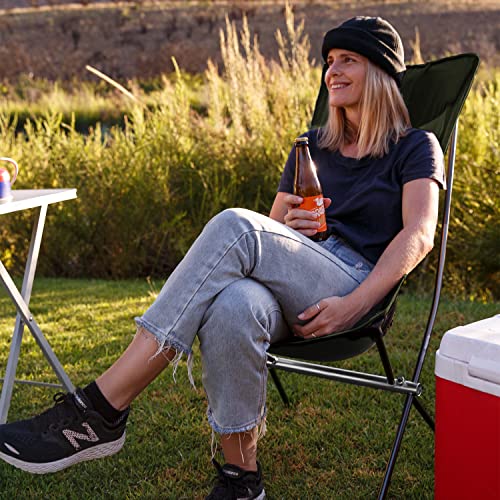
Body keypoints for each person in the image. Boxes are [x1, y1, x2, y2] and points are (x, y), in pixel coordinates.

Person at [0, 16, 444, 500]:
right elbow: (270, 228)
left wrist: (355, 305)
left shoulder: (415, 146)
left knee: (236, 224)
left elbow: (420, 235)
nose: (331, 72)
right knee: (234, 305)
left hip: (352, 285)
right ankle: (242, 478)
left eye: (348, 60)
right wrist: (288, 225)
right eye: (329, 61)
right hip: (296, 277)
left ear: (379, 73)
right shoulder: (312, 145)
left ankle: (101, 408)